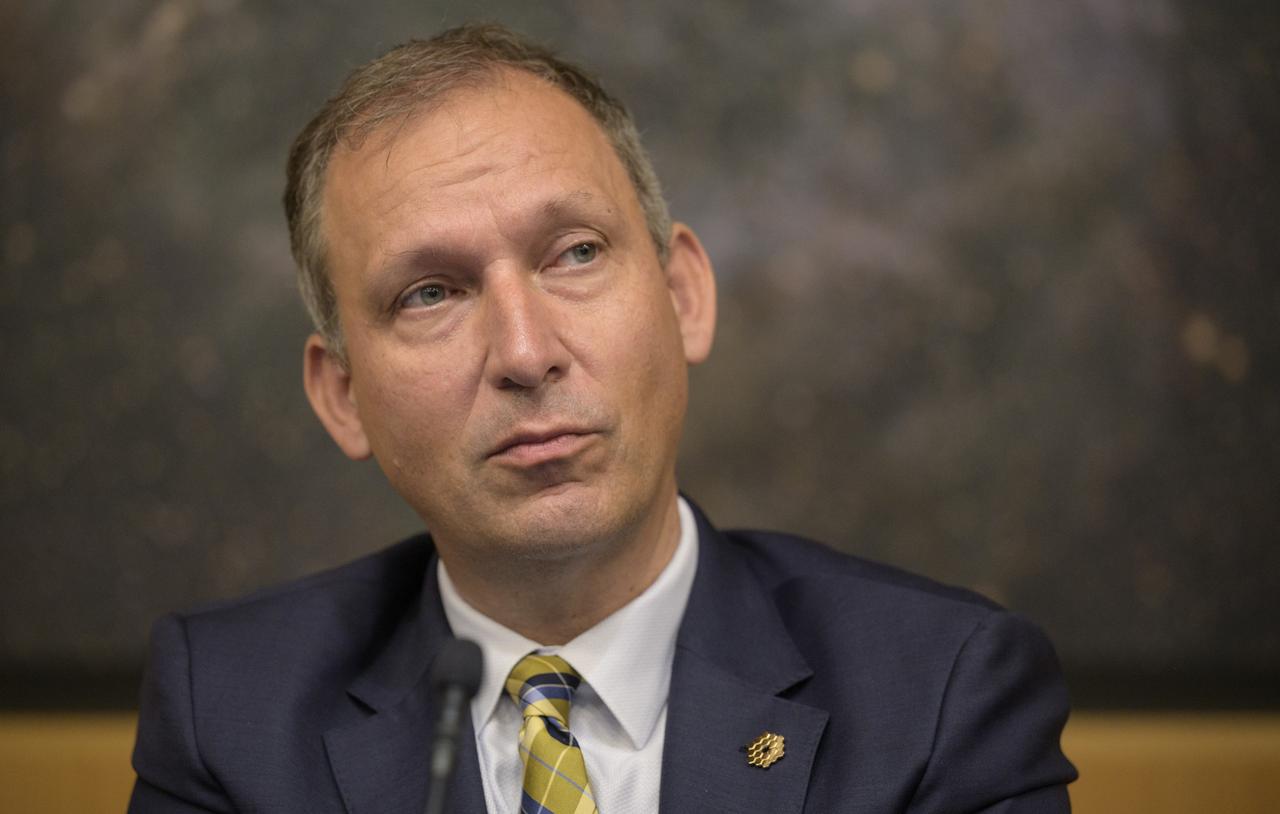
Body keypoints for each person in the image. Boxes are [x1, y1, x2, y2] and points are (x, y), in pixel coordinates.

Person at [129, 23, 1076, 814]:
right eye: (430, 294)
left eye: (576, 253)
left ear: (683, 296)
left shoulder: (941, 695)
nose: (525, 351)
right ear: (342, 395)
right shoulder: (232, 711)